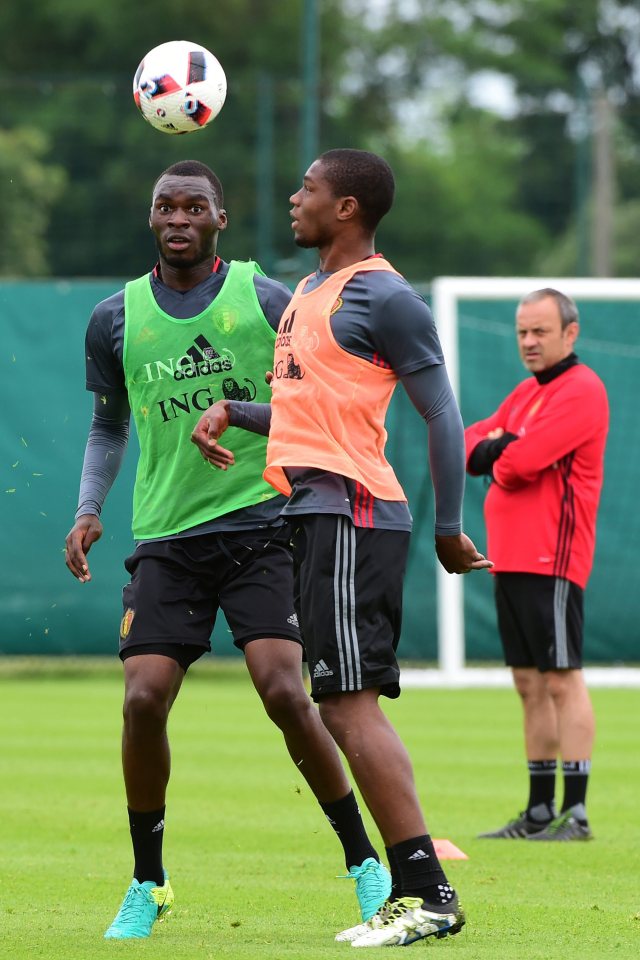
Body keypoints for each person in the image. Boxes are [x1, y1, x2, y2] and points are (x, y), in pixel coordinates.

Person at [64, 159, 393, 941]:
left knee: (284, 691)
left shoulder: (267, 299)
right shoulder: (115, 317)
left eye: (193, 206)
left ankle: (363, 863)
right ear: (152, 220)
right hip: (168, 539)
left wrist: (242, 419)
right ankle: (149, 880)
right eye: (163, 206)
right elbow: (110, 425)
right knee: (142, 698)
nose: (177, 217)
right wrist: (87, 508)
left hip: (262, 527)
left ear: (220, 218)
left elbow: (305, 394)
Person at [190, 148, 492, 948]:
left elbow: (442, 413)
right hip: (317, 512)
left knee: (349, 704)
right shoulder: (307, 296)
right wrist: (233, 408)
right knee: (339, 702)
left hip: (355, 512)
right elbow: (310, 413)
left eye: (309, 189)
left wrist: (448, 526)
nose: (295, 199)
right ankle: (415, 889)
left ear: (348, 208)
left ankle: (426, 893)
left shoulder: (387, 296)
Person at [465, 288, 609, 842]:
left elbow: (519, 463)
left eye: (540, 331)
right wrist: (498, 446)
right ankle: (540, 810)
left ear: (570, 334)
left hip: (552, 556)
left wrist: (500, 450)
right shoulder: (526, 392)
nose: (529, 341)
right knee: (528, 682)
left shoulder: (583, 390)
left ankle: (577, 814)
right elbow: (468, 441)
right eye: (523, 331)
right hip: (509, 556)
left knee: (561, 679)